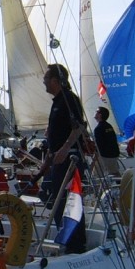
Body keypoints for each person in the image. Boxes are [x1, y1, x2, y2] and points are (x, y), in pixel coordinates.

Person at [37, 64, 88, 251]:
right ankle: (67, 241)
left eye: (46, 78)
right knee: (57, 204)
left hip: (69, 161)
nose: (43, 81)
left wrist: (65, 149)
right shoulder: (57, 102)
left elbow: (79, 126)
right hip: (57, 161)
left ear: (55, 81)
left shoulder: (68, 99)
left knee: (69, 202)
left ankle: (76, 245)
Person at [92, 107, 121, 177]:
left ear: (100, 115)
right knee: (115, 174)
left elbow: (99, 145)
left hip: (104, 156)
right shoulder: (109, 126)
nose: (95, 112)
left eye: (97, 111)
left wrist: (94, 158)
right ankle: (123, 186)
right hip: (113, 154)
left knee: (96, 176)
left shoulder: (98, 128)